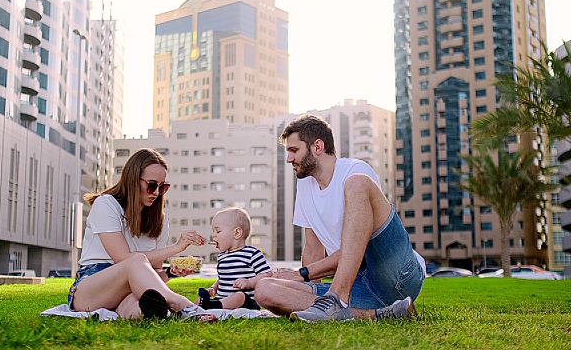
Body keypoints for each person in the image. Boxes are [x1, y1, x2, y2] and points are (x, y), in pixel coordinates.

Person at [254, 114, 425, 322]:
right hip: (357, 285)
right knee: (264, 289)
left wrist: (301, 274)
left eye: (294, 150)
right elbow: (313, 250)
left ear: (317, 147)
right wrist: (307, 289)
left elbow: (356, 249)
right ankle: (377, 316)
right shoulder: (305, 185)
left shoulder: (355, 172)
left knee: (357, 184)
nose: (289, 159)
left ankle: (338, 300)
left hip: (396, 275)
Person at [68, 148, 212, 321]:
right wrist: (176, 248)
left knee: (143, 305)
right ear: (133, 180)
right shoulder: (106, 204)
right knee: (136, 261)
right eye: (151, 185)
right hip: (92, 287)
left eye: (162, 187)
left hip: (126, 291)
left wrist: (170, 273)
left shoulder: (160, 220)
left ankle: (159, 314)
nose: (157, 193)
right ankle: (182, 304)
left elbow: (152, 276)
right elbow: (124, 259)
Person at [196, 207, 273, 310]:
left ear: (237, 233)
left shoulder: (252, 253)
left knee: (239, 296)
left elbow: (267, 275)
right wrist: (213, 288)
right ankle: (191, 308)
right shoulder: (222, 256)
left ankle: (211, 307)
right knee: (200, 299)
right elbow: (223, 279)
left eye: (218, 231)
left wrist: (249, 282)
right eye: (213, 231)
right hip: (223, 299)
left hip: (246, 302)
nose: (213, 236)